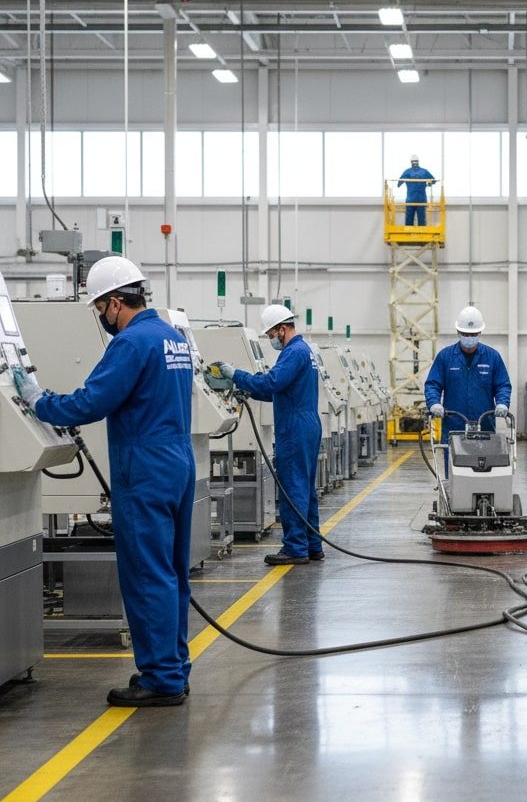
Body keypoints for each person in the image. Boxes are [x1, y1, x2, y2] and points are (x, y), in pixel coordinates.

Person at [13, 257, 195, 708]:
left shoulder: (132, 344)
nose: (101, 316)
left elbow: (90, 403)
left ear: (115, 303)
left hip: (145, 470)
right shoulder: (173, 338)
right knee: (171, 572)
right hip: (177, 463)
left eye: (99, 307)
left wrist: (39, 401)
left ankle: (161, 679)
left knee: (147, 574)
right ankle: (174, 667)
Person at [212, 304, 323, 567]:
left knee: (292, 486)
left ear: (282, 329)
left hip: (294, 426)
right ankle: (312, 544)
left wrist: (235, 374)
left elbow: (272, 383)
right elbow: (277, 390)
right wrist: (246, 388)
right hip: (306, 421)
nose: (272, 339)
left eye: (272, 334)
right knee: (305, 487)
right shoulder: (305, 351)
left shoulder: (293, 352)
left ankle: (296, 548)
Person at [425, 306, 512, 454]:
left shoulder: (492, 357)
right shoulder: (445, 357)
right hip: (454, 427)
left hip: (485, 427)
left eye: (473, 334)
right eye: (466, 333)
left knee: (484, 469)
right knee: (454, 472)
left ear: (480, 332)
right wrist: (434, 404)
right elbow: (433, 384)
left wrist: (503, 403)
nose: (469, 338)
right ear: (458, 332)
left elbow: (502, 385)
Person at [398, 154, 436, 226]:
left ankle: (409, 235)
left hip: (410, 199)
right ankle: (422, 235)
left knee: (409, 220)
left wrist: (401, 182)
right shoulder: (424, 172)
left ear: (411, 162)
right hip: (421, 199)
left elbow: (398, 184)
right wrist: (428, 184)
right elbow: (434, 180)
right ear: (418, 162)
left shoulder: (407, 172)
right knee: (421, 220)